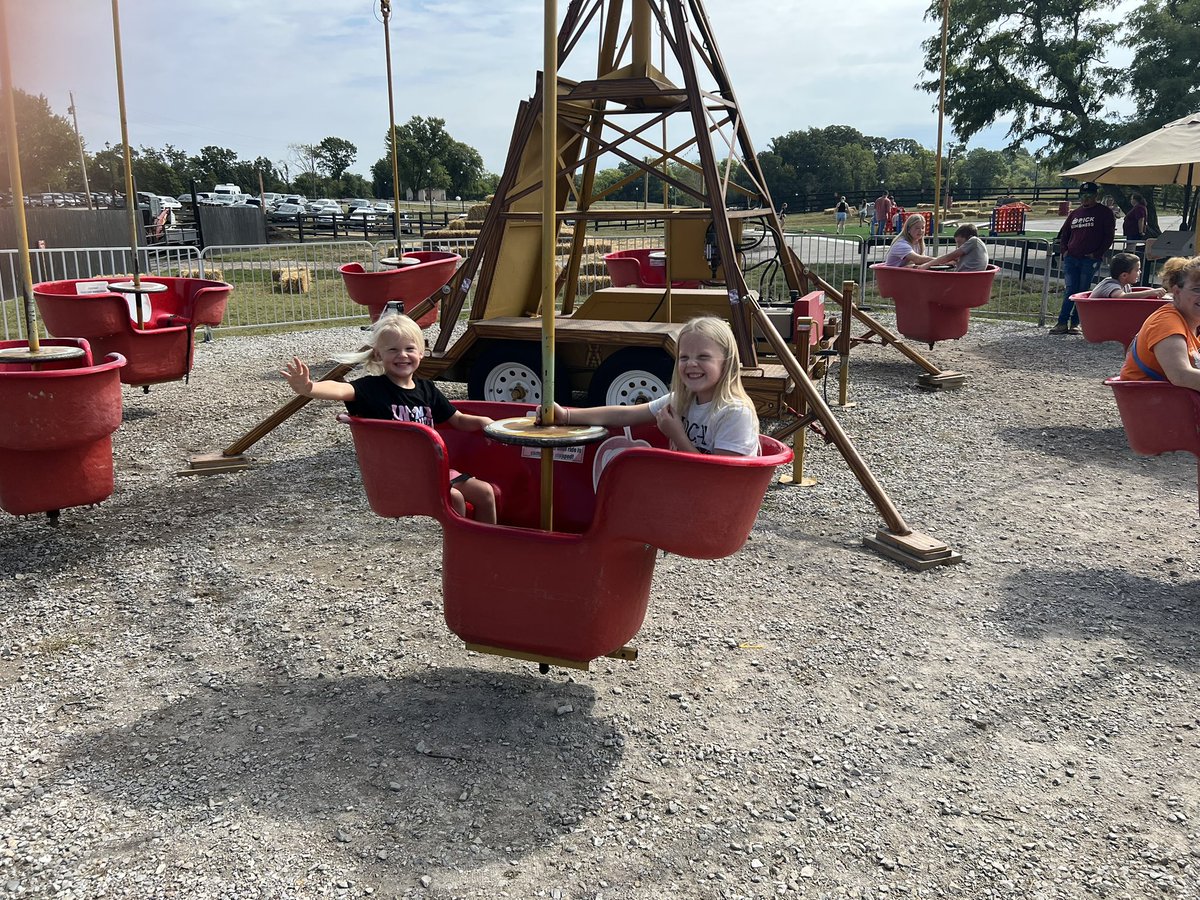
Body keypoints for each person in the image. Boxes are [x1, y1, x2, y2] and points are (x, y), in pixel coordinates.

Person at [281, 313, 498, 523]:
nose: (402, 355)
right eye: (393, 350)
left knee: (485, 493)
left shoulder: (427, 389)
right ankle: (459, 545)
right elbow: (340, 390)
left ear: (421, 353)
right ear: (378, 355)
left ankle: (485, 547)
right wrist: (310, 387)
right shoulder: (373, 389)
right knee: (455, 498)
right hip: (401, 475)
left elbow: (457, 419)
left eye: (410, 349)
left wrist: (483, 422)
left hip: (433, 469)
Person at [540, 316, 760, 456]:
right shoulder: (682, 400)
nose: (691, 363)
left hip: (719, 508)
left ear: (726, 361)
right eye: (684, 357)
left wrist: (678, 436)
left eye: (703, 356)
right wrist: (567, 416)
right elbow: (625, 415)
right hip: (690, 492)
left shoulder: (734, 412)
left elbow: (722, 477)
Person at [1119, 255, 1200, 391]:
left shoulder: (1192, 323)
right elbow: (1180, 375)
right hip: (1153, 405)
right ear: (1176, 291)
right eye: (1197, 289)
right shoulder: (1167, 322)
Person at [1051, 181, 1116, 334]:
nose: (1085, 199)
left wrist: (1097, 253)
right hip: (1072, 257)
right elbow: (1065, 233)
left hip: (1090, 259)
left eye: (1089, 195)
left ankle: (1075, 323)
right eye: (1083, 196)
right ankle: (1061, 322)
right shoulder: (1075, 213)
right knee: (1070, 289)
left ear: (1096, 196)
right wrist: (1064, 250)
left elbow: (1108, 236)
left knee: (1082, 290)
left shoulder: (1104, 213)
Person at [1089, 252, 1167, 299]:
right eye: (1137, 270)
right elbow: (1121, 297)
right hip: (1095, 318)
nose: (1140, 272)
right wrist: (1150, 292)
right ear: (1124, 275)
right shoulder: (1111, 285)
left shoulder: (1125, 285)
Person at [918, 223, 990, 271]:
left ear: (969, 238)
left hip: (964, 279)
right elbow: (953, 260)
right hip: (970, 278)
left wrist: (926, 265)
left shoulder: (974, 241)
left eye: (959, 242)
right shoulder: (974, 250)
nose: (958, 246)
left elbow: (949, 256)